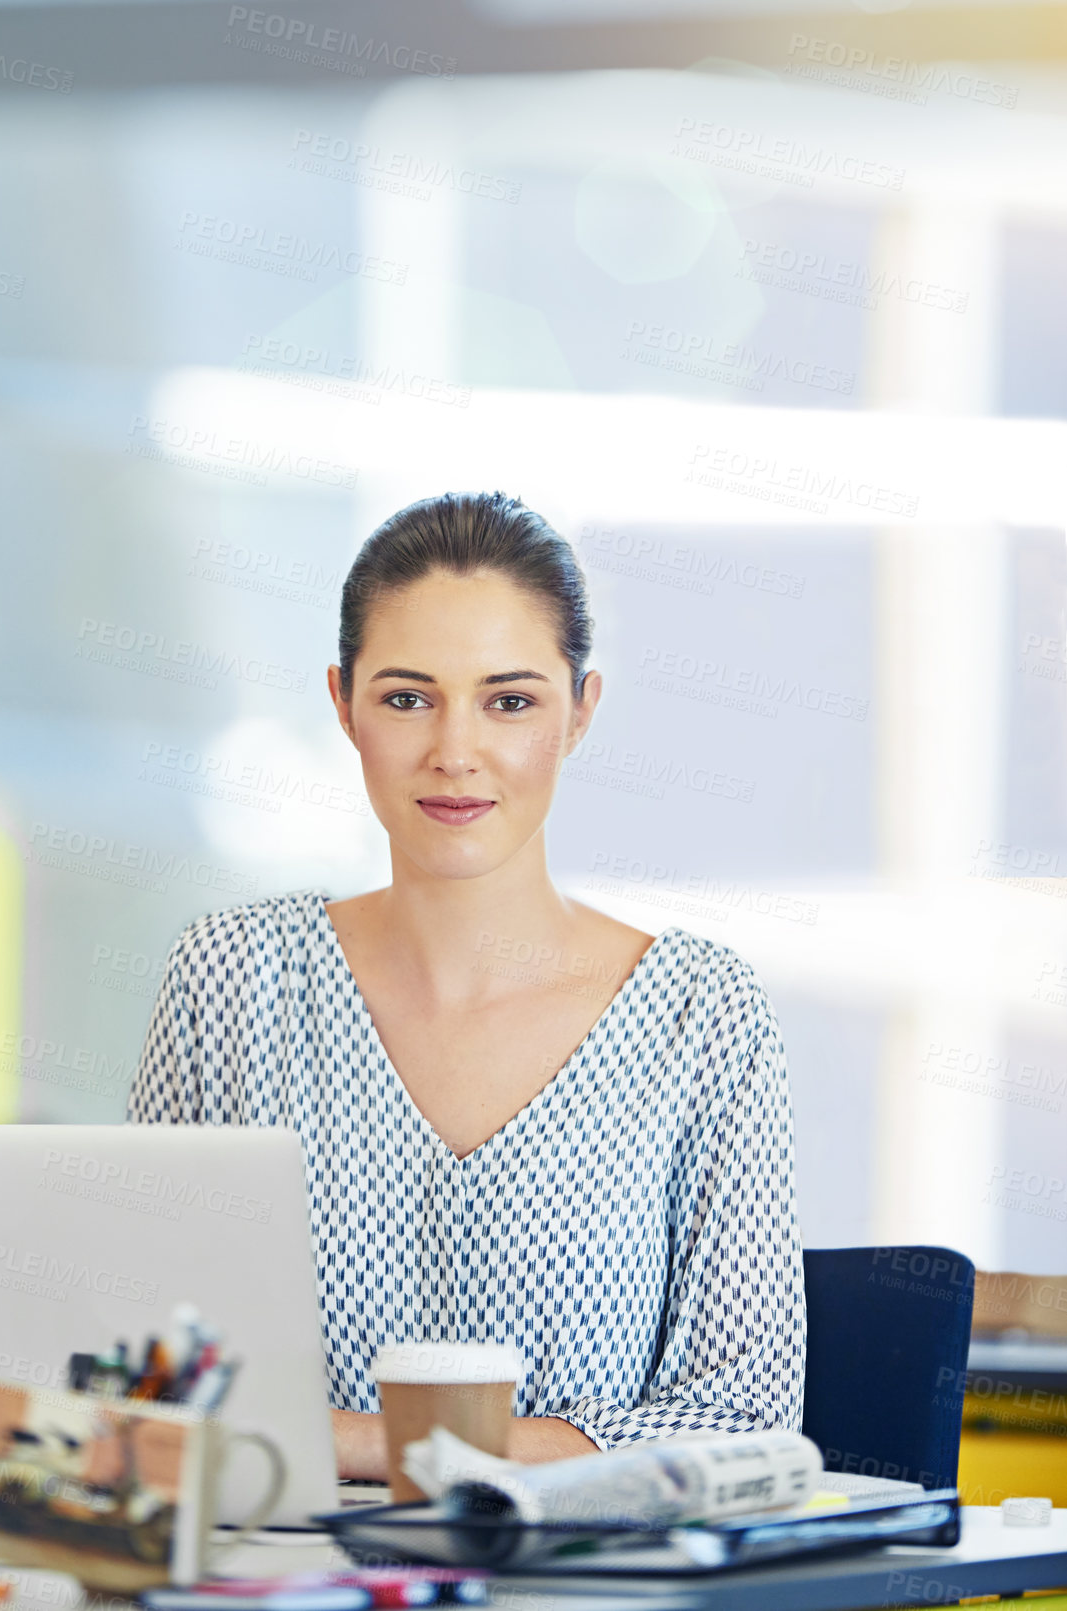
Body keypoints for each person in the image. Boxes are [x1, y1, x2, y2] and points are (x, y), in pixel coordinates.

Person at [127, 490, 806, 1481]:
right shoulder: (232, 979)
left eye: (510, 700)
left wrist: (359, 1443)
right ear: (341, 705)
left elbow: (742, 1417)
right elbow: (144, 1372)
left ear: (579, 713)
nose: (453, 752)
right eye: (406, 697)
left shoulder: (701, 1016)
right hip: (272, 1581)